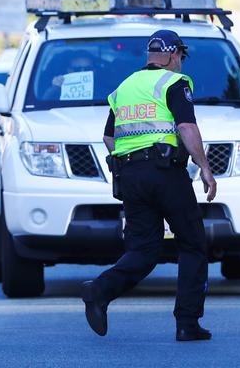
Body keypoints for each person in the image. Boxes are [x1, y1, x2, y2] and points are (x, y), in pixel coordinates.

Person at [81, 29, 217, 342]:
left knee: (144, 250)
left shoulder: (124, 87)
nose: (181, 61)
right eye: (181, 55)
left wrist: (130, 160)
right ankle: (188, 323)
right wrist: (205, 168)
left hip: (129, 175)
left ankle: (99, 291)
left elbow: (109, 137)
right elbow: (186, 126)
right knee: (193, 243)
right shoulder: (174, 82)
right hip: (164, 172)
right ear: (172, 54)